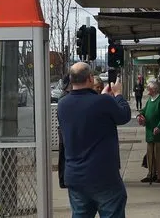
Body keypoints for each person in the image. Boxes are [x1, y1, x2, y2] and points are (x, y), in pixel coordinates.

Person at [57, 62, 131, 217]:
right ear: (90, 78)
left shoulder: (62, 105)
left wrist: (102, 97)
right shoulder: (104, 102)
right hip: (104, 176)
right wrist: (117, 94)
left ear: (71, 79)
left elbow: (87, 111)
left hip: (75, 177)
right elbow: (124, 116)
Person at [137, 79, 160, 183]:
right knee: (150, 154)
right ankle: (151, 174)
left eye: (149, 88)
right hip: (149, 132)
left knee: (159, 155)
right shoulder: (150, 99)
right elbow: (144, 110)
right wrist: (141, 115)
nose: (147, 89)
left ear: (155, 89)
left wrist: (159, 127)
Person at [56, 74, 71, 189]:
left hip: (64, 130)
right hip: (65, 131)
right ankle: (63, 179)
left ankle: (63, 179)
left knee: (64, 155)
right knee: (64, 156)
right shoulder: (65, 98)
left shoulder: (64, 97)